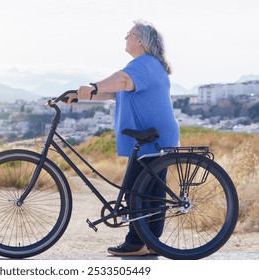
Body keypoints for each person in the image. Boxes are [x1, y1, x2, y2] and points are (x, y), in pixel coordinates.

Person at [66, 20, 180, 256]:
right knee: (148, 192)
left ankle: (136, 243)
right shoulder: (147, 65)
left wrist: (92, 85)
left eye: (129, 34)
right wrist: (81, 96)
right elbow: (112, 91)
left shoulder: (144, 64)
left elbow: (122, 80)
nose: (125, 37)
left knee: (138, 192)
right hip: (153, 137)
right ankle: (149, 242)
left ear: (140, 40)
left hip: (153, 138)